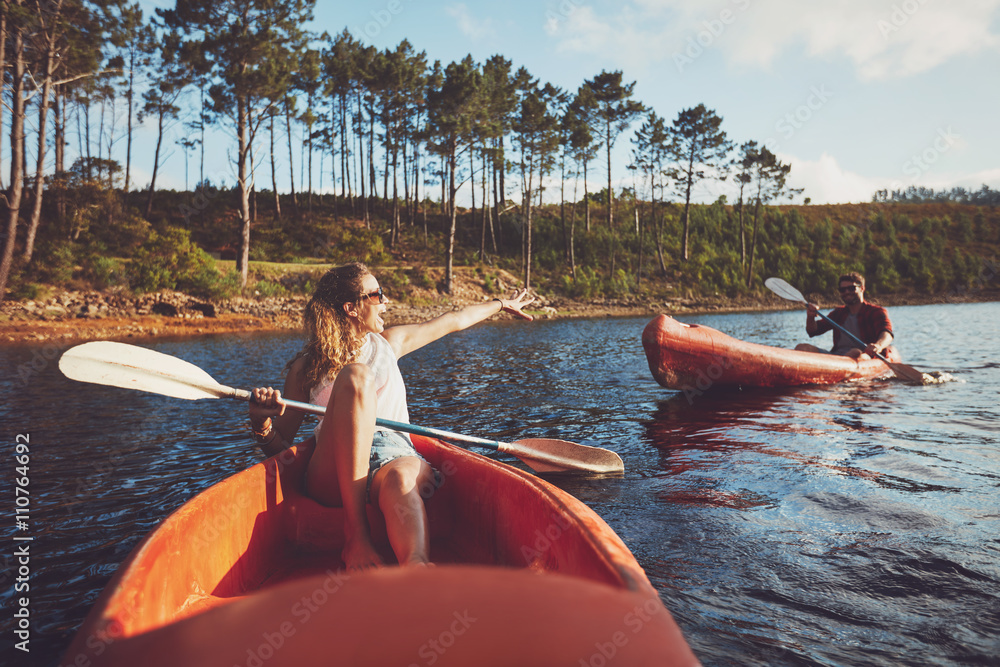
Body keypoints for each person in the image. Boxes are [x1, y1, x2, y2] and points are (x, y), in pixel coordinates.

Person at [248, 262, 534, 571]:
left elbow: (454, 320)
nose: (387, 301)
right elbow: (282, 451)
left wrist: (502, 304)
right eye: (378, 294)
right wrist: (261, 423)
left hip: (393, 454)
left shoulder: (389, 343)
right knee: (356, 376)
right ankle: (356, 535)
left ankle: (416, 568)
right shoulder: (305, 369)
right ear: (352, 308)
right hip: (332, 470)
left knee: (399, 478)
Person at [794, 272, 894, 359]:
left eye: (851, 288)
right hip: (837, 356)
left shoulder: (876, 311)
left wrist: (878, 346)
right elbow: (813, 331)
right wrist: (810, 317)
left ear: (862, 288)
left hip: (864, 355)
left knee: (855, 352)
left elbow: (887, 333)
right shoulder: (839, 313)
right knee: (801, 348)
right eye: (843, 290)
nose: (847, 292)